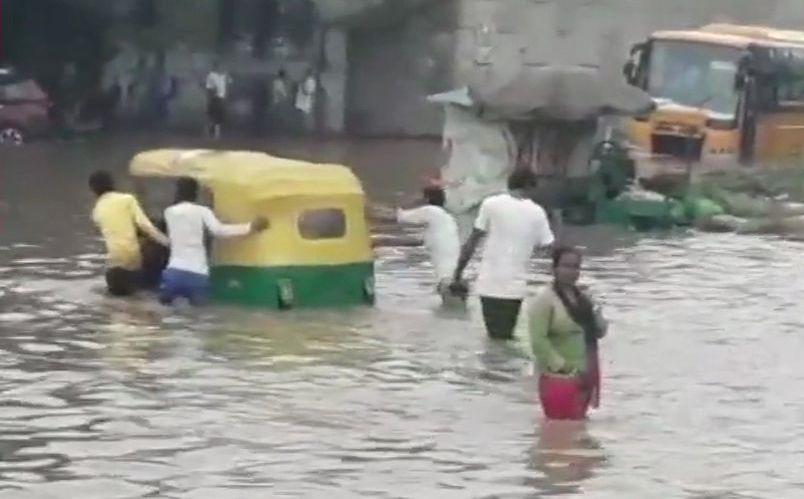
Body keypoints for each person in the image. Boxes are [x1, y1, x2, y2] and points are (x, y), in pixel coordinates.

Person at [451, 169, 555, 339]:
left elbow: (472, 242)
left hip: (488, 283)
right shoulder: (537, 212)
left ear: (509, 183)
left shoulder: (490, 204)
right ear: (531, 186)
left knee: (493, 337)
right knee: (506, 336)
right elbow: (550, 249)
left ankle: (493, 365)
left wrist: (457, 274)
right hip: (515, 287)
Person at [160, 177, 267, 306]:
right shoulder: (202, 211)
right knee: (199, 318)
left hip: (174, 272)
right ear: (195, 193)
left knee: (166, 311)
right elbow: (219, 230)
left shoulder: (169, 212)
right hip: (197, 274)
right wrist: (250, 227)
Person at [528, 246, 608, 420]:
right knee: (560, 434)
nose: (571, 271)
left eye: (575, 267)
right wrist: (564, 367)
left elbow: (599, 333)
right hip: (559, 379)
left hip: (586, 376)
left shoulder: (584, 299)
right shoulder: (544, 300)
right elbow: (538, 341)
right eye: (566, 266)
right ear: (554, 268)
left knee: (578, 433)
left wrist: (597, 313)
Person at [89, 171, 169, 297]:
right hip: (132, 262)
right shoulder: (127, 200)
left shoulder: (96, 211)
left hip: (113, 268)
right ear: (112, 184)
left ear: (93, 190)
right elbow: (145, 226)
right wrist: (167, 243)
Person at [395, 185, 465, 305]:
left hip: (446, 278)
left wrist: (407, 202)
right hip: (455, 273)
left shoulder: (431, 211)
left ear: (426, 199)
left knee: (448, 305)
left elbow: (402, 217)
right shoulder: (446, 218)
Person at [205, 60, 232, 139]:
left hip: (222, 97)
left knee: (220, 117)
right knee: (212, 116)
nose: (222, 68)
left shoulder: (224, 75)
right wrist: (211, 96)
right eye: (220, 67)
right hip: (215, 97)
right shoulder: (211, 75)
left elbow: (229, 83)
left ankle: (217, 133)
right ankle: (209, 132)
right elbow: (209, 88)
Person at [295, 69, 317, 133]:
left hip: (306, 102)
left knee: (307, 118)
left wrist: (302, 86)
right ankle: (303, 131)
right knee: (302, 118)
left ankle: (308, 131)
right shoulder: (305, 80)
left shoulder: (310, 81)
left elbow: (308, 92)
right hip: (302, 102)